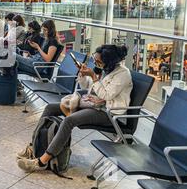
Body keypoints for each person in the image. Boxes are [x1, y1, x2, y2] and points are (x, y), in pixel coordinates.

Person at [16, 45, 132, 173]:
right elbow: (89, 87)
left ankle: (42, 161)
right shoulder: (105, 69)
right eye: (95, 60)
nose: (96, 63)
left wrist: (93, 76)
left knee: (69, 120)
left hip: (108, 113)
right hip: (94, 104)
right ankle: (34, 146)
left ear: (109, 62)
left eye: (99, 61)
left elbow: (106, 95)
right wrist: (83, 75)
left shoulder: (123, 74)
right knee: (50, 108)